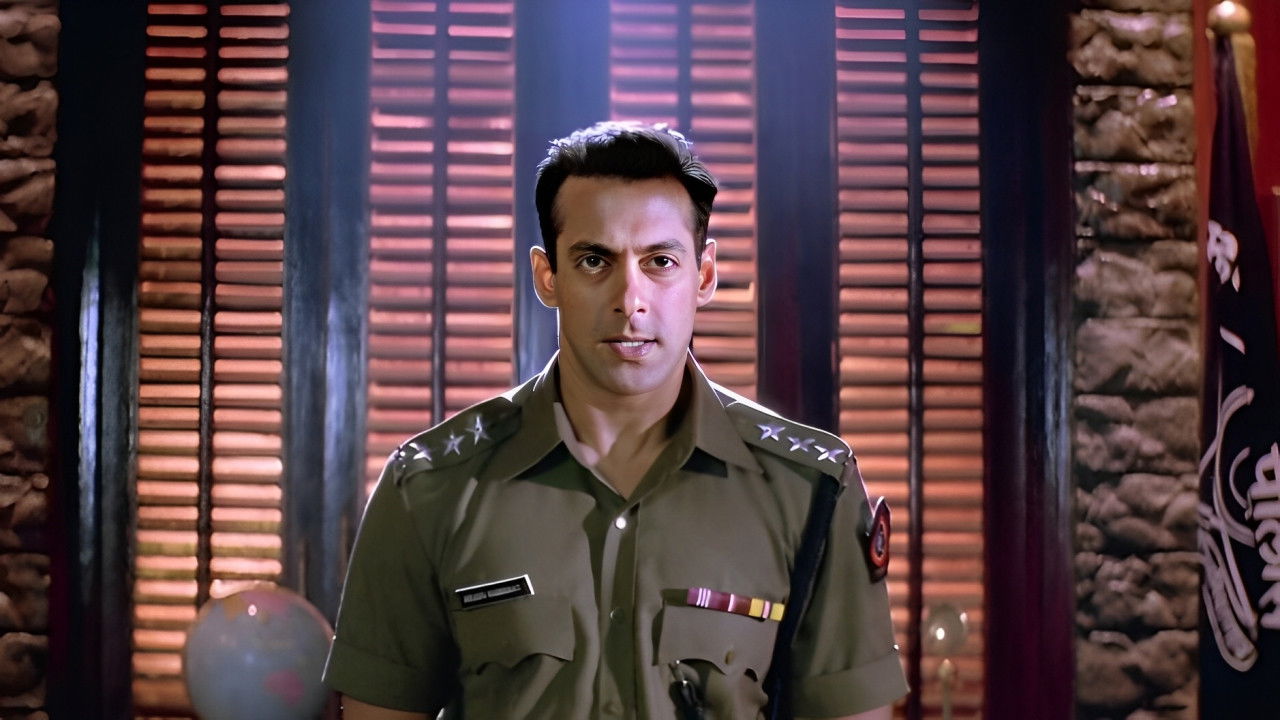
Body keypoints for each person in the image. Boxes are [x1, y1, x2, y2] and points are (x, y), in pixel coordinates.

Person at [323, 122, 908, 719]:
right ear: (548, 277)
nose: (630, 300)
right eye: (594, 260)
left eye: (660, 261)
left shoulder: (810, 490)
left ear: (704, 275)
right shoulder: (431, 486)